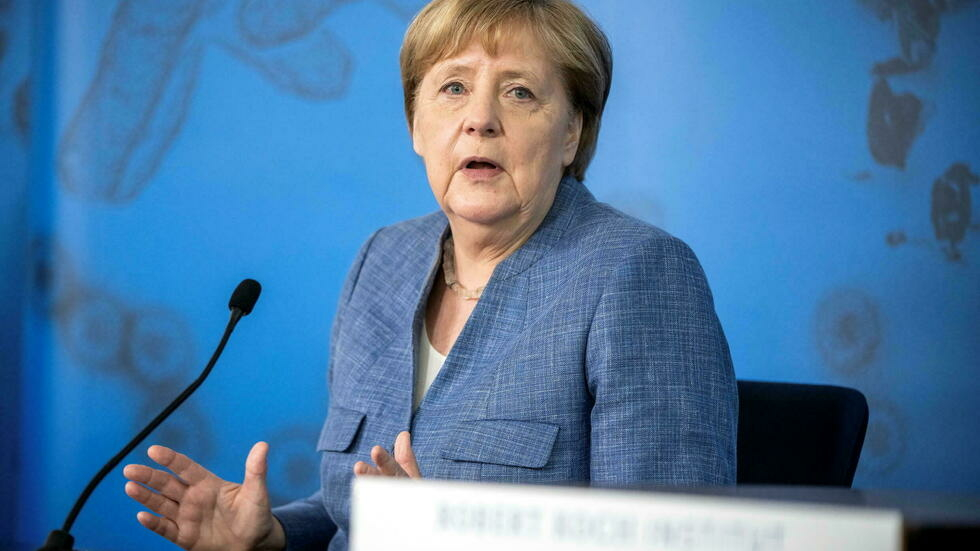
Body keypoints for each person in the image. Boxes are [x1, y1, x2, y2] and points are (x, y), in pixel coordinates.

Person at [122, 1, 738, 550]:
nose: (480, 119)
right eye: (453, 88)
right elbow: (352, 510)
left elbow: (671, 539)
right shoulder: (384, 260)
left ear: (572, 133)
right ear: (416, 124)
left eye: (519, 92)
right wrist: (272, 536)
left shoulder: (636, 273)